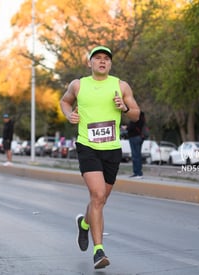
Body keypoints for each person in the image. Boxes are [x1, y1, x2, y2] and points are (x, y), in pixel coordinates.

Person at [60, 45, 140, 269]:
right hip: (87, 146)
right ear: (90, 63)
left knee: (101, 199)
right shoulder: (78, 85)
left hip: (112, 148)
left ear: (110, 64)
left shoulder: (121, 85)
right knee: (97, 194)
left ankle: (84, 224)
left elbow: (136, 114)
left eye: (106, 58)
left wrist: (124, 108)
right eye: (98, 58)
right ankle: (99, 251)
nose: (102, 61)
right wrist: (69, 114)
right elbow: (64, 101)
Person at [127, 111, 145, 179]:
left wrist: (127, 128)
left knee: (135, 155)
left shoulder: (136, 117)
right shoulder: (142, 116)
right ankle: (137, 172)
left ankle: (138, 173)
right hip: (139, 137)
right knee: (137, 155)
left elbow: (132, 127)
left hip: (134, 137)